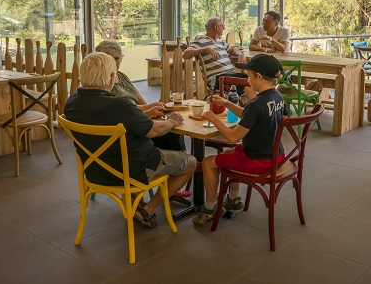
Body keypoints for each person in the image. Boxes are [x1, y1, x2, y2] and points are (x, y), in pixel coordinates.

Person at [63, 52, 197, 229]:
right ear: (110, 77)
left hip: (96, 171)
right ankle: (148, 209)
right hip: (133, 170)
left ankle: (133, 201)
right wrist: (173, 121)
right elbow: (155, 130)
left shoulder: (71, 102)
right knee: (191, 162)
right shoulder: (119, 105)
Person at [192, 54, 286, 226]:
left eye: (249, 76)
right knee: (228, 154)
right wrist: (227, 104)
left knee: (208, 162)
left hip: (259, 161)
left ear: (258, 76)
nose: (247, 80)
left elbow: (232, 137)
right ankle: (234, 200)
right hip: (275, 155)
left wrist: (214, 119)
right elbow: (250, 117)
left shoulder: (255, 104)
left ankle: (209, 208)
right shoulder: (276, 97)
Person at [95, 40, 191, 198]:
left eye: (117, 58)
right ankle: (176, 172)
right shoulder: (103, 84)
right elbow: (124, 113)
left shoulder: (121, 76)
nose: (114, 62)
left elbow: (138, 100)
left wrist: (153, 108)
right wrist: (149, 113)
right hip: (130, 132)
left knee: (170, 127)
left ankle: (173, 179)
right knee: (170, 130)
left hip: (136, 121)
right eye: (109, 58)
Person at [182, 16, 247, 90]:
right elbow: (185, 54)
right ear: (216, 27)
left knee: (252, 81)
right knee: (249, 83)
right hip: (217, 79)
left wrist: (240, 53)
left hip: (231, 75)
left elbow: (232, 49)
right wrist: (205, 49)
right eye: (223, 26)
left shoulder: (220, 41)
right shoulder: (201, 40)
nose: (224, 28)